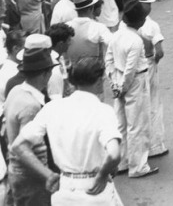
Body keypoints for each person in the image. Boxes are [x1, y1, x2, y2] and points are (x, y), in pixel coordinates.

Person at [11, 57, 124, 204]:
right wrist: (103, 174)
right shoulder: (103, 111)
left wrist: (49, 175)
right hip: (95, 189)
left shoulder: (53, 108)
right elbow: (114, 154)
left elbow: (18, 146)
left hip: (65, 189)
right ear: (98, 81)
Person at [105, 0, 157, 178]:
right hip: (135, 81)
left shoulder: (116, 35)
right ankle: (138, 166)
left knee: (121, 123)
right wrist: (123, 87)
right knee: (138, 124)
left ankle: (121, 162)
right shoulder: (136, 40)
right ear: (139, 21)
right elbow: (131, 68)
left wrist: (114, 84)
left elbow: (109, 60)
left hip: (118, 78)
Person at [5, 47, 56, 206]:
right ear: (46, 74)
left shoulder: (16, 90)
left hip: (16, 171)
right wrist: (49, 175)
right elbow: (24, 149)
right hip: (31, 177)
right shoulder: (31, 106)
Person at [128, 0, 168, 159]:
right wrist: (152, 58)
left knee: (134, 109)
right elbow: (159, 52)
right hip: (147, 66)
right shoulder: (151, 24)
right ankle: (154, 145)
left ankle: (135, 149)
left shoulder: (127, 22)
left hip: (130, 69)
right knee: (152, 104)